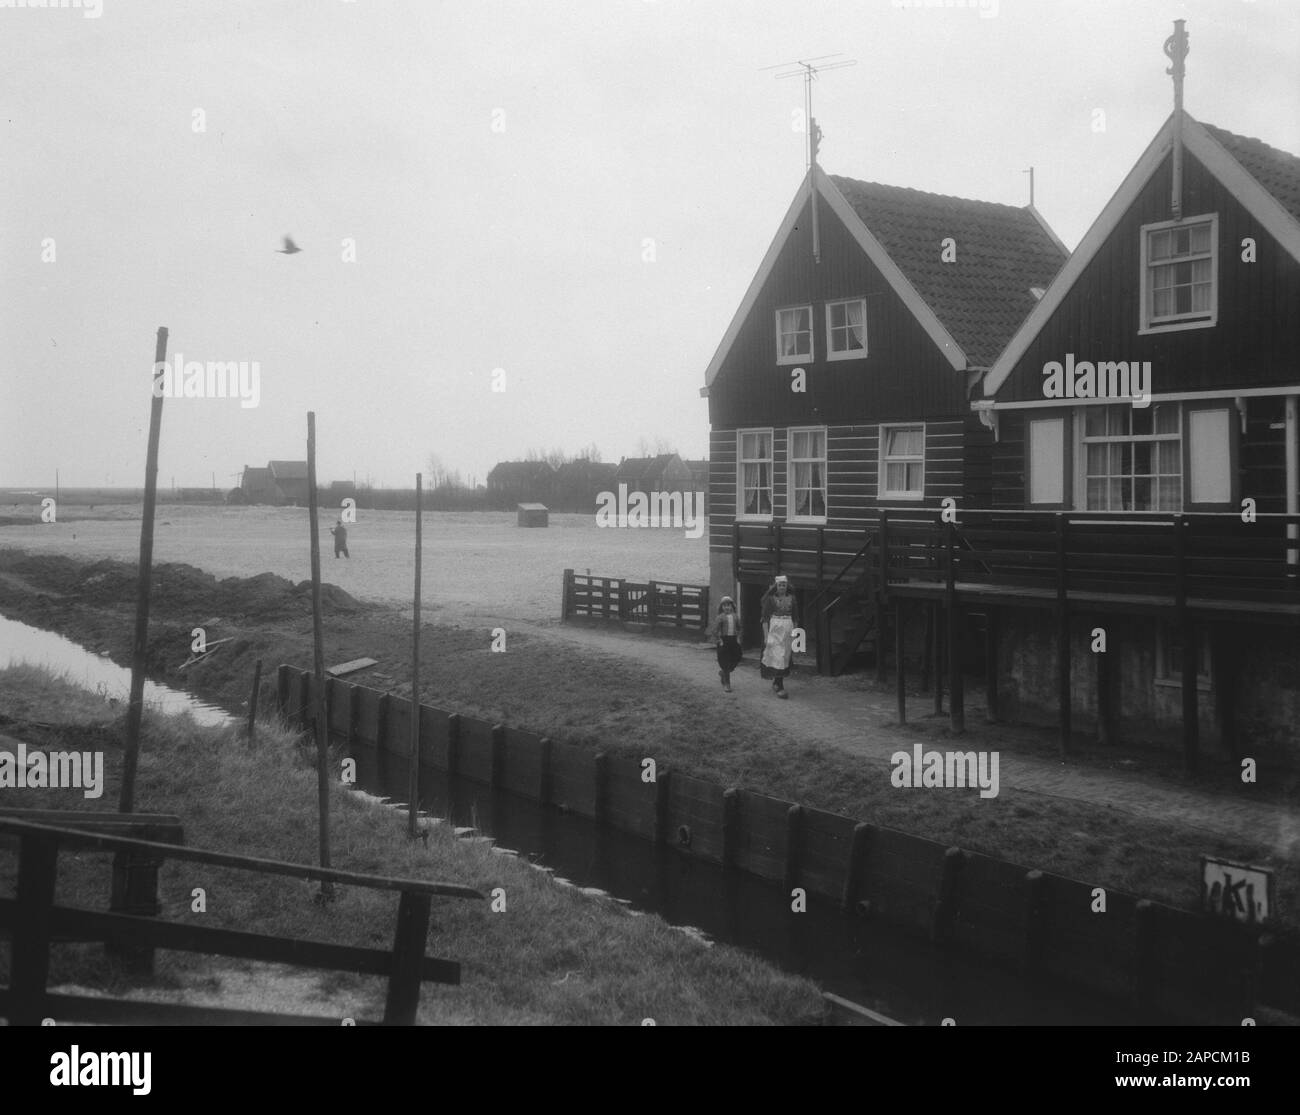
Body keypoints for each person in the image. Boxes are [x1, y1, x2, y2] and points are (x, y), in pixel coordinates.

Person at [760, 574, 798, 698]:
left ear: (787, 586)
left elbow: (796, 617)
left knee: (785, 656)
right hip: (775, 629)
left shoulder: (792, 599)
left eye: (784, 585)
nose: (782, 587)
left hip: (788, 628)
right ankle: (779, 686)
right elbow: (765, 619)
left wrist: (796, 634)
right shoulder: (770, 599)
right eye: (780, 585)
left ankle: (777, 681)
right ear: (776, 586)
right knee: (777, 655)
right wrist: (766, 636)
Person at [709, 596, 743, 692]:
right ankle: (727, 684)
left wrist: (738, 637)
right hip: (724, 641)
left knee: (738, 656)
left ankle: (723, 673)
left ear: (732, 606)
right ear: (721, 607)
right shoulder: (720, 617)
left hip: (733, 641)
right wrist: (719, 640)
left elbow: (740, 628)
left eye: (728, 605)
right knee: (725, 662)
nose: (727, 607)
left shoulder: (735, 616)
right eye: (724, 605)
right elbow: (714, 630)